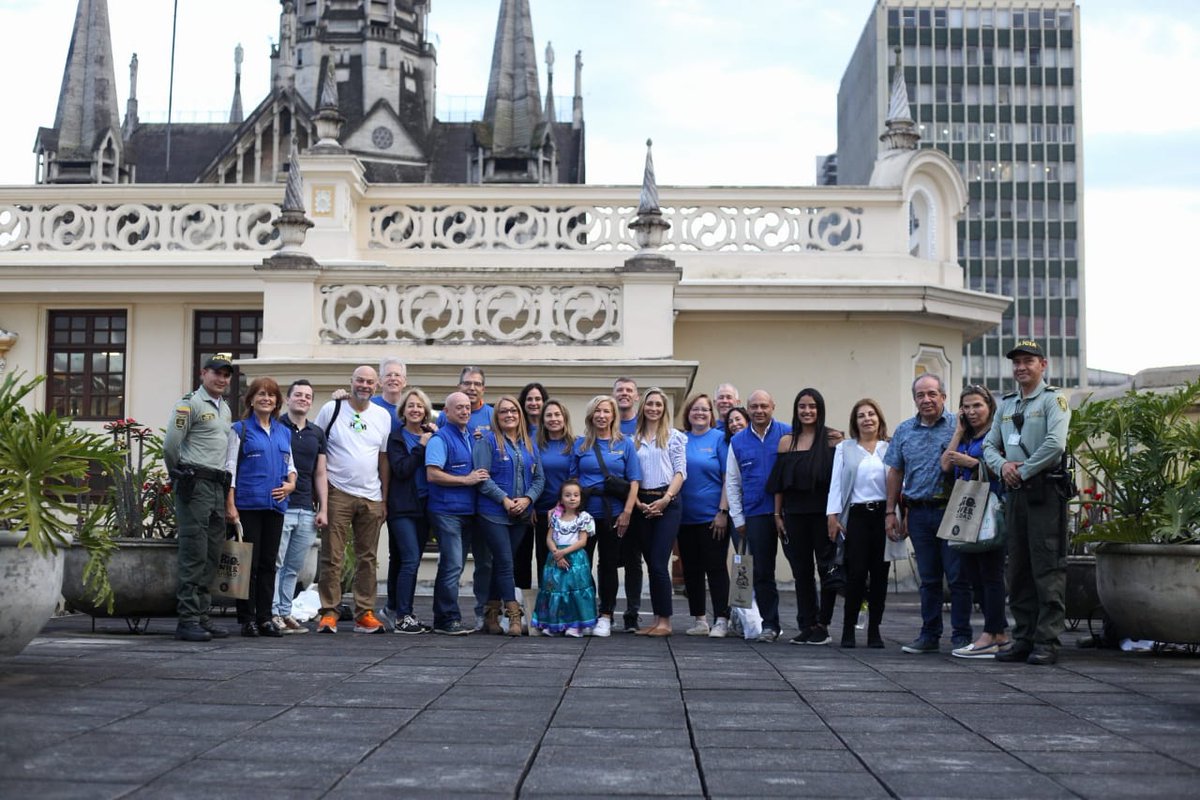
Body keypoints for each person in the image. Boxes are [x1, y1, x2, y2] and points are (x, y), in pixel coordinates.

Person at [985, 340, 1071, 666]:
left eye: (1028, 361)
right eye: (1016, 362)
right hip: (1016, 492)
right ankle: (1023, 637)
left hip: (1045, 491)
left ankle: (1046, 640)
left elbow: (1055, 444)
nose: (1021, 367)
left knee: (1047, 566)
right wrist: (1004, 466)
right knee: (1018, 567)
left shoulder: (1054, 400)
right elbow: (990, 446)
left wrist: (1024, 470)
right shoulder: (1006, 405)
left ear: (1043, 365)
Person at [885, 373, 973, 654]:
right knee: (929, 579)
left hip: (953, 510)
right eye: (920, 395)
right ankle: (929, 634)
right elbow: (896, 471)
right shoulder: (904, 431)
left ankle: (961, 635)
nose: (926, 400)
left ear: (944, 397)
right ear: (914, 399)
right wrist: (891, 511)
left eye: (932, 394)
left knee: (958, 577)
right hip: (919, 513)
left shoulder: (959, 427)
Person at [312, 366, 392, 635]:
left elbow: (383, 458)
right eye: (360, 380)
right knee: (332, 556)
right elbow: (317, 447)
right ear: (351, 382)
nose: (365, 385)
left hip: (371, 496)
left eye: (370, 381)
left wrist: (384, 498)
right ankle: (329, 612)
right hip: (337, 492)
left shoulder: (382, 416)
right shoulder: (332, 409)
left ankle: (364, 613)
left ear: (377, 385)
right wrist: (320, 496)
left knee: (367, 558)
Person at [164, 353, 236, 642]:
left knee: (212, 554)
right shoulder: (189, 404)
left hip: (218, 486)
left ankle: (203, 616)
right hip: (195, 485)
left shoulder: (226, 409)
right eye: (217, 373)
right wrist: (177, 476)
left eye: (226, 374)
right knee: (194, 552)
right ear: (203, 373)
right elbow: (171, 445)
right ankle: (188, 618)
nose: (221, 379)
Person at [226, 378, 297, 638]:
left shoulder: (283, 431)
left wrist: (290, 485)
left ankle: (266, 618)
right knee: (249, 565)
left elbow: (291, 467)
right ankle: (247, 619)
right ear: (251, 400)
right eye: (261, 394)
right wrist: (230, 504)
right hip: (248, 505)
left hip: (276, 506)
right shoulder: (240, 429)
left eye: (271, 395)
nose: (266, 399)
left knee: (269, 564)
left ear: (278, 401)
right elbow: (230, 469)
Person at [944, 385, 1011, 659]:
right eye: (967, 407)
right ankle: (1000, 635)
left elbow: (1004, 467)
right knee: (974, 575)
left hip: (991, 509)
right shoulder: (966, 436)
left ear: (989, 406)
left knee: (991, 573)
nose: (972, 412)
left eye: (977, 406)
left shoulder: (998, 434)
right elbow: (945, 465)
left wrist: (972, 463)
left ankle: (991, 634)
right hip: (968, 510)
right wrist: (958, 431)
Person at [769, 389, 838, 646]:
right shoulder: (787, 442)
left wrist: (835, 515)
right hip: (794, 515)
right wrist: (778, 515)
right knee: (802, 572)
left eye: (812, 406)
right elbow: (779, 484)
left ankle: (823, 623)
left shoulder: (832, 441)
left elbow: (839, 484)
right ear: (796, 410)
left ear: (819, 409)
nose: (807, 411)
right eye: (802, 406)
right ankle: (807, 624)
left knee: (828, 569)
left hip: (823, 515)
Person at [473, 396, 544, 636]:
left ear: (520, 414)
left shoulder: (529, 444)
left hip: (521, 515)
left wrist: (528, 499)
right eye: (503, 411)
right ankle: (514, 615)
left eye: (513, 410)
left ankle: (491, 614)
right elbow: (482, 478)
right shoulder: (488, 442)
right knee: (505, 562)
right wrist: (504, 499)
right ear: (497, 416)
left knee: (502, 564)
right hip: (493, 512)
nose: (509, 415)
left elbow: (539, 478)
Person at [725, 390, 792, 642]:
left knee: (801, 567)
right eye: (754, 406)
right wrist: (738, 518)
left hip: (788, 513)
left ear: (773, 406)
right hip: (755, 514)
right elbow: (732, 481)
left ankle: (810, 624)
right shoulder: (738, 441)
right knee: (763, 572)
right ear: (747, 409)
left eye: (764, 405)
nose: (759, 410)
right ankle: (770, 625)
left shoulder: (788, 432)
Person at [572, 394, 641, 637]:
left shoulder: (625, 444)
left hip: (614, 514)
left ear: (613, 415)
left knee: (609, 565)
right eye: (597, 411)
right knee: (582, 565)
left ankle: (606, 614)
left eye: (606, 411)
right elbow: (573, 481)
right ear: (591, 415)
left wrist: (627, 512)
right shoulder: (581, 445)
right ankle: (585, 612)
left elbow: (634, 481)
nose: (602, 415)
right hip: (585, 515)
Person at [827, 399, 891, 648]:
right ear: (855, 422)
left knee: (880, 576)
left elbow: (898, 484)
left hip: (883, 516)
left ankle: (874, 630)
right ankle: (848, 629)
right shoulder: (845, 448)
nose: (867, 419)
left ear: (879, 418)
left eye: (871, 414)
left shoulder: (889, 448)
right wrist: (832, 515)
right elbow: (835, 483)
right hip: (856, 517)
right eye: (861, 415)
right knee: (855, 575)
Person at [426, 391, 489, 635]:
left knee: (457, 565)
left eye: (467, 407)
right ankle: (446, 619)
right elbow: (433, 474)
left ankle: (447, 616)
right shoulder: (439, 439)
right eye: (459, 407)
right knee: (452, 565)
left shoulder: (470, 437)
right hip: (446, 511)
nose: (464, 411)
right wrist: (466, 480)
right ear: (447, 412)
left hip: (468, 512)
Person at [436, 366, 494, 630]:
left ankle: (484, 613)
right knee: (453, 564)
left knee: (485, 562)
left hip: (485, 505)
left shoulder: (492, 414)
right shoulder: (445, 421)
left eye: (477, 384)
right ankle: (448, 617)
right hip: (453, 506)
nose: (472, 388)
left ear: (484, 388)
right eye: (467, 383)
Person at [271, 379, 328, 635]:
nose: (303, 399)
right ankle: (272, 612)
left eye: (308, 396)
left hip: (306, 507)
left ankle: (285, 611)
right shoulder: (276, 426)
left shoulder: (316, 433)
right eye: (298, 394)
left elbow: (320, 472)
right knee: (276, 563)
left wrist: (323, 508)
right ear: (288, 398)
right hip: (281, 504)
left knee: (293, 566)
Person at [630, 388, 686, 636]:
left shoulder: (674, 437)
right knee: (651, 563)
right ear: (643, 407)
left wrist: (665, 499)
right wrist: (637, 503)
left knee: (659, 562)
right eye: (650, 404)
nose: (654, 408)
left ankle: (666, 621)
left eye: (658, 405)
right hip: (642, 503)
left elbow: (680, 472)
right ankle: (655, 620)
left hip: (667, 502)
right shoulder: (633, 439)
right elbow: (630, 474)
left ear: (664, 409)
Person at [678, 393, 731, 638]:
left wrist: (722, 512)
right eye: (695, 409)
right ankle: (699, 619)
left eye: (705, 410)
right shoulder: (680, 439)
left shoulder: (719, 438)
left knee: (716, 568)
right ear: (688, 414)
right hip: (684, 518)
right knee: (691, 569)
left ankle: (722, 618)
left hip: (712, 518)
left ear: (711, 415)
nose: (700, 413)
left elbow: (727, 478)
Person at [386, 387, 436, 635]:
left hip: (424, 507)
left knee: (401, 559)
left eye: (420, 406)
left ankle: (395, 609)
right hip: (401, 507)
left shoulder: (431, 435)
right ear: (403, 411)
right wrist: (421, 446)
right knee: (410, 560)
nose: (415, 410)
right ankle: (403, 616)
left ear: (426, 411)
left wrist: (433, 439)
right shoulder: (396, 438)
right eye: (411, 406)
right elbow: (402, 469)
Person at [530, 479, 598, 637]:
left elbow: (583, 541)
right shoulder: (555, 517)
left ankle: (575, 624)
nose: (572, 498)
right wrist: (556, 553)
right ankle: (554, 623)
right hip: (555, 558)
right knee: (555, 590)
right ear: (560, 499)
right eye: (568, 495)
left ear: (581, 498)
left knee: (573, 590)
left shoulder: (584, 517)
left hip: (575, 559)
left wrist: (564, 552)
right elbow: (549, 538)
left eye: (576, 495)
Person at [529, 399, 576, 603]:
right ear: (543, 419)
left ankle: (568, 605)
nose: (553, 419)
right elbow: (528, 477)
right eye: (549, 415)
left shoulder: (575, 445)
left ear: (564, 418)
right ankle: (546, 605)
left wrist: (560, 508)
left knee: (569, 560)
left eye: (557, 414)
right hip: (540, 512)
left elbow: (575, 480)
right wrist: (530, 504)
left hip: (567, 513)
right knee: (545, 560)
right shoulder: (534, 444)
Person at [609, 375, 645, 630]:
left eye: (629, 390)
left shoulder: (644, 425)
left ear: (636, 396)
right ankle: (605, 610)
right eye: (619, 390)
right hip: (610, 503)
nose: (624, 393)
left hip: (640, 503)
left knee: (634, 559)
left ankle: (632, 613)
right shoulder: (606, 424)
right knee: (607, 560)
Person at [513, 382, 549, 597]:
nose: (534, 403)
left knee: (547, 560)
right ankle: (520, 612)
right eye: (529, 399)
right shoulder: (518, 432)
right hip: (525, 504)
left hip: (551, 508)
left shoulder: (553, 429)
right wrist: (530, 502)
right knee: (521, 559)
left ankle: (546, 611)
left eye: (538, 399)